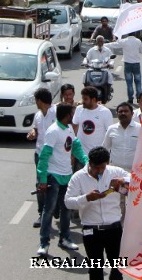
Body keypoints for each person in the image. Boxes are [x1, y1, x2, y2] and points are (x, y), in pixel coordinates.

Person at [64, 146, 129, 280]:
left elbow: (135, 180)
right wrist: (86, 198)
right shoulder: (78, 177)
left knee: (116, 262)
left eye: (103, 167)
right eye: (97, 168)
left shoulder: (114, 172)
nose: (100, 171)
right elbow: (68, 201)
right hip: (91, 229)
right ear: (90, 164)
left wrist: (123, 181)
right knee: (95, 270)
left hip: (114, 227)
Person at [38, 103, 86, 256]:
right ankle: (44, 243)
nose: (74, 116)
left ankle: (64, 238)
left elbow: (76, 147)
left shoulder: (69, 128)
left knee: (66, 210)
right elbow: (44, 156)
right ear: (67, 115)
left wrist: (87, 163)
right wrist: (43, 179)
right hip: (53, 176)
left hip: (67, 176)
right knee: (49, 210)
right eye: (72, 113)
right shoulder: (53, 131)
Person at [27, 88, 56, 228]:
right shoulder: (38, 115)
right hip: (40, 155)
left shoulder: (56, 113)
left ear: (40, 100)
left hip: (55, 156)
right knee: (40, 185)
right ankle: (42, 214)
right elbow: (36, 129)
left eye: (36, 100)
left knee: (56, 184)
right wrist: (32, 132)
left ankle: (55, 209)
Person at [73, 87, 114, 156]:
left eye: (85, 99)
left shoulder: (105, 112)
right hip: (81, 154)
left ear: (94, 99)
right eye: (82, 98)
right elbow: (74, 127)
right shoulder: (79, 109)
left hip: (98, 155)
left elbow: (110, 133)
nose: (83, 101)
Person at [100, 102, 140, 172]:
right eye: (120, 112)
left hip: (135, 171)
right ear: (117, 114)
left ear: (132, 114)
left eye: (126, 111)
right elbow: (105, 148)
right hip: (115, 170)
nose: (123, 113)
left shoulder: (140, 128)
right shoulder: (111, 129)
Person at [108, 33, 142, 104]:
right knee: (138, 82)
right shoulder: (138, 41)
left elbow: (114, 45)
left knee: (129, 83)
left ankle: (130, 99)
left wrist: (103, 44)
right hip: (136, 64)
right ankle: (139, 98)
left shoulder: (124, 41)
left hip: (127, 64)